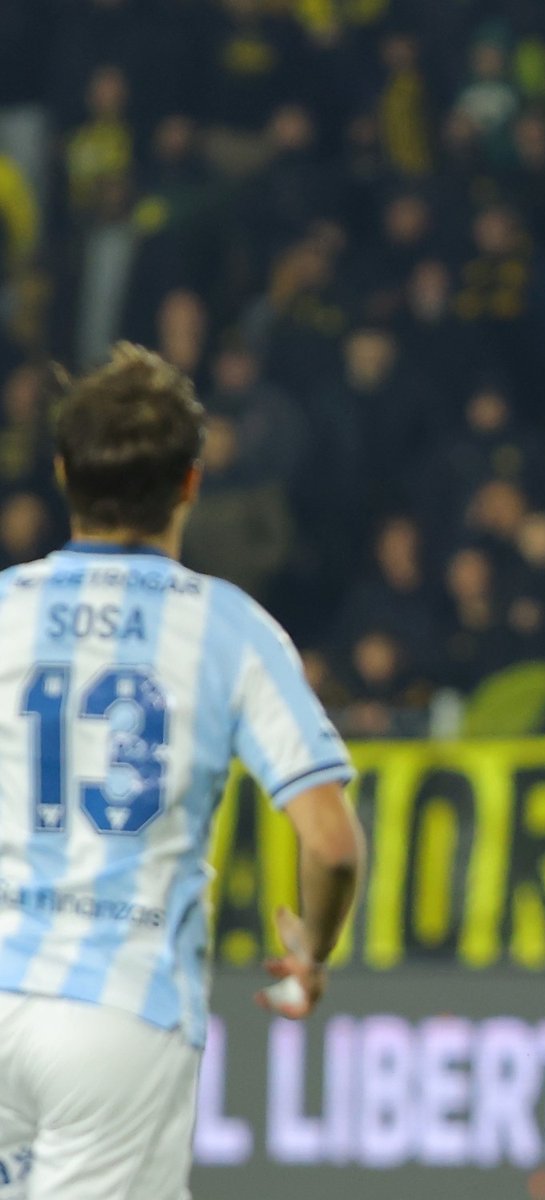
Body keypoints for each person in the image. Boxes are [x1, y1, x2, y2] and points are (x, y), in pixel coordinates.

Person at [0, 345, 366, 1196]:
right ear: (191, 484)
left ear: (63, 474)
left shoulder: (6, 608)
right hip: (121, 1010)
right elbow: (332, 842)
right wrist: (313, 948)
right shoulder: (227, 629)